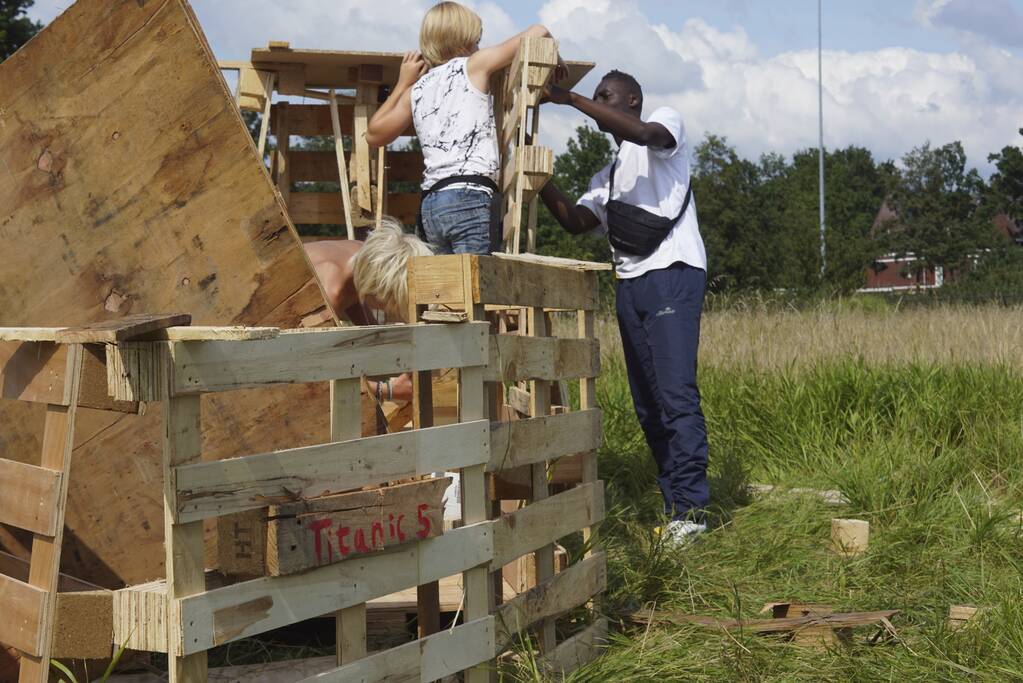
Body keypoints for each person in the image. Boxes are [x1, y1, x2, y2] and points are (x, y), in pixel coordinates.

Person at [538, 71, 710, 545]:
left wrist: (568, 98)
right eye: (596, 97)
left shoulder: (662, 126)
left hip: (673, 274)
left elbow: (643, 133)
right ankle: (674, 503)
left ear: (633, 100)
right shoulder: (608, 176)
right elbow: (576, 221)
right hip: (630, 285)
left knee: (676, 395)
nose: (598, 102)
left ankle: (693, 512)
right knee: (648, 404)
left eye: (605, 96)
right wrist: (539, 182)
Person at [366, 2, 564, 254]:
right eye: (477, 40)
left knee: (441, 287)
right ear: (463, 42)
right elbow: (539, 30)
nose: (479, 47)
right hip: (470, 195)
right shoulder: (474, 65)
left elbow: (374, 134)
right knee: (476, 287)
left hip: (431, 203)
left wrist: (402, 83)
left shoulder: (416, 89)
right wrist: (556, 57)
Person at [304, 216, 433, 402]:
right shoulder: (330, 292)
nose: (393, 310)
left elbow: (358, 307)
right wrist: (386, 390)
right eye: (394, 302)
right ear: (379, 288)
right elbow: (304, 374)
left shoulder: (363, 257)